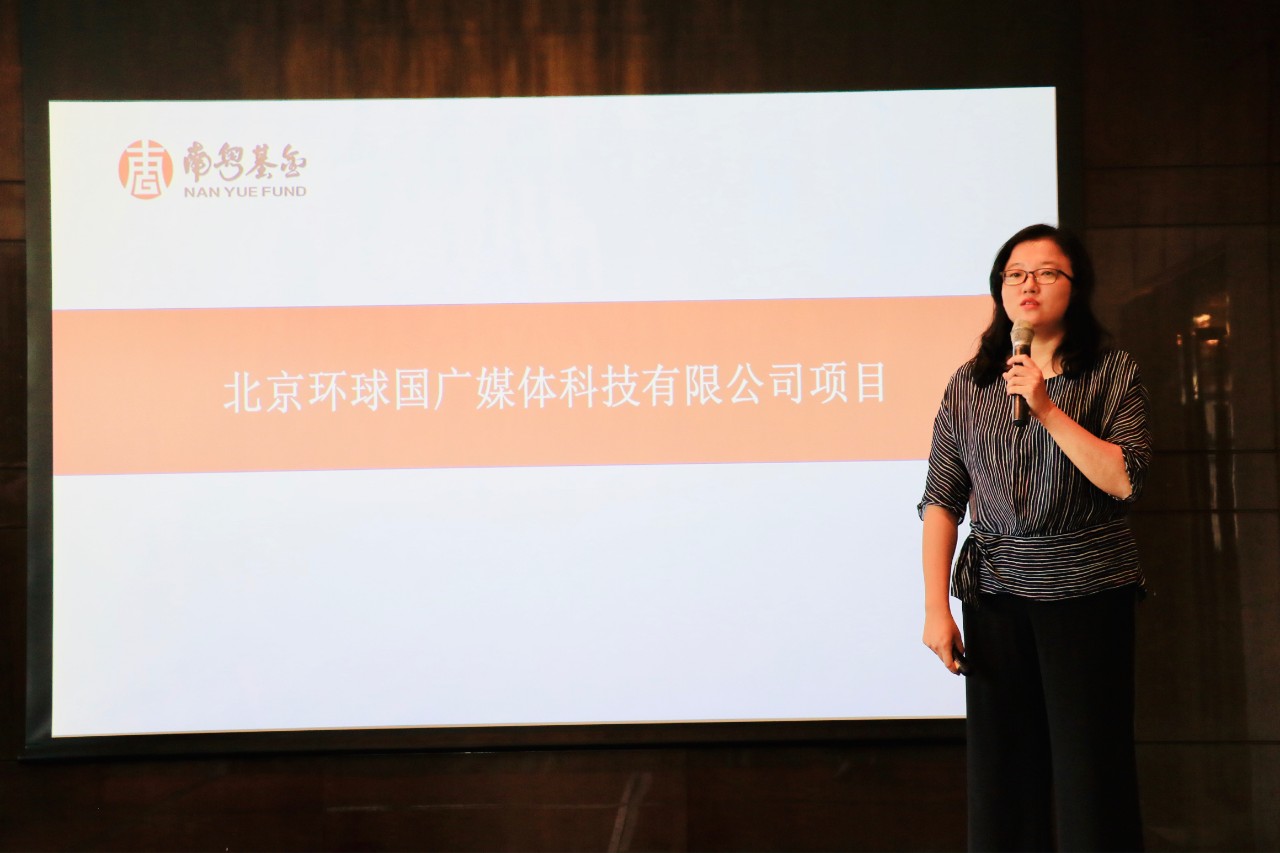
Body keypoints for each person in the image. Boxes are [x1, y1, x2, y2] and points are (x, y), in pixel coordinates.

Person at [918, 224, 1149, 852]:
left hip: (1088, 592)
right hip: (996, 595)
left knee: (1091, 772)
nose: (1029, 285)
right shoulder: (970, 383)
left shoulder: (1111, 372)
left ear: (1075, 287)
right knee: (1002, 777)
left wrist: (1046, 407)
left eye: (1047, 273)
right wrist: (937, 609)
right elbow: (941, 501)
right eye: (1016, 274)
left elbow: (1126, 479)